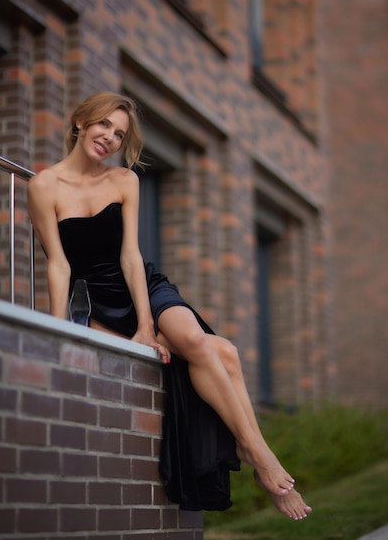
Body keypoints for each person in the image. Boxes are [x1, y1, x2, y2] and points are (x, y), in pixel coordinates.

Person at [28, 91, 312, 520]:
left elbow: (130, 255)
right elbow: (59, 266)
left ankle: (259, 454)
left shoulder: (124, 181)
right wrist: (56, 329)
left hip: (146, 287)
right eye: (104, 124)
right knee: (226, 353)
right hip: (101, 301)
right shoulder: (44, 185)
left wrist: (146, 324)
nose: (109, 137)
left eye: (119, 133)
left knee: (193, 337)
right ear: (81, 122)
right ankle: (256, 455)